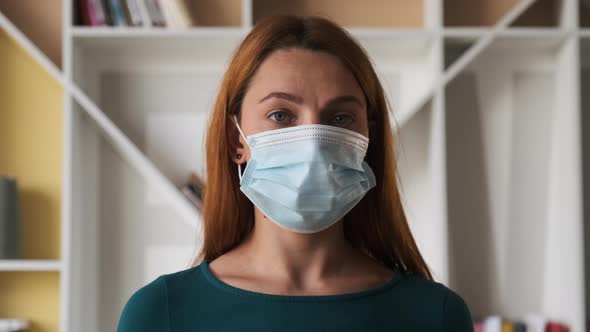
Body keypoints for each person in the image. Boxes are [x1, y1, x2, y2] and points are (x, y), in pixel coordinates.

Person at [117, 15, 474, 332]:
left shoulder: (436, 316)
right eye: (281, 115)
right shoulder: (159, 314)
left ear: (369, 138)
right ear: (234, 139)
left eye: (340, 118)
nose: (314, 143)